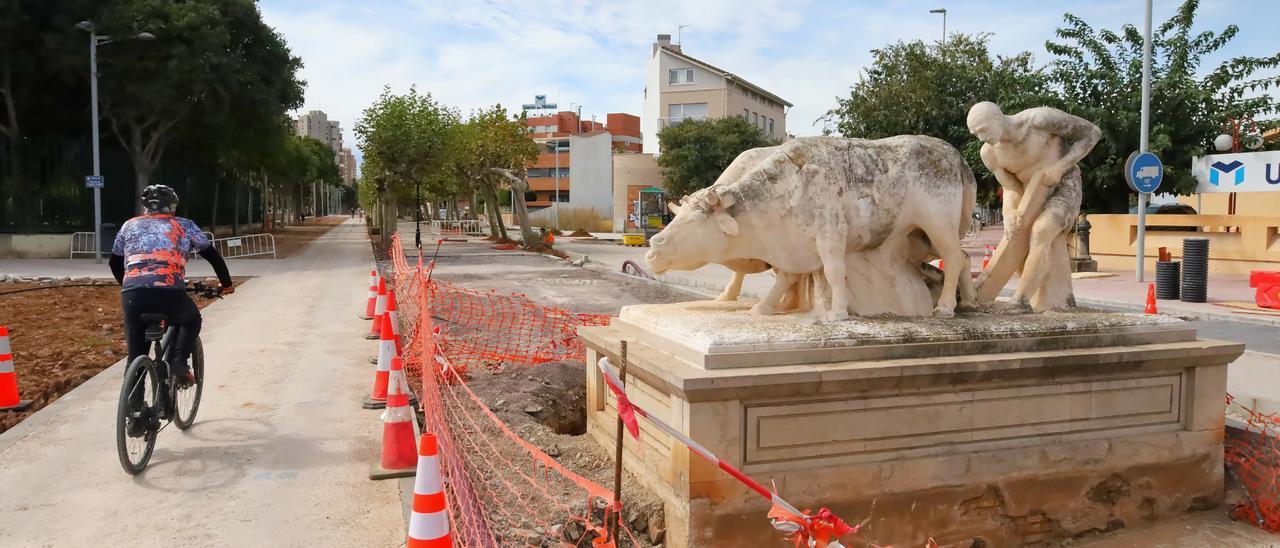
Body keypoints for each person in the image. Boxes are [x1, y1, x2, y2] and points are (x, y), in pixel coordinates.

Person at [966, 101, 1100, 310]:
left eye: (983, 130)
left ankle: (1021, 301)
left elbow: (1092, 133)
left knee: (1041, 230)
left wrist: (1059, 167)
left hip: (1064, 186)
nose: (981, 138)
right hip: (1032, 195)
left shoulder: (1039, 120)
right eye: (976, 134)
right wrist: (1009, 212)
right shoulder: (989, 154)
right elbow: (1010, 188)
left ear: (997, 117)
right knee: (1017, 238)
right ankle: (1031, 295)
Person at [109, 185, 234, 387]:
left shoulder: (129, 225)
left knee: (136, 356)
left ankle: (133, 412)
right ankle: (179, 362)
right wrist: (226, 285)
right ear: (172, 206)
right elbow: (212, 256)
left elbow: (114, 262)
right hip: (169, 292)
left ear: (145, 207)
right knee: (191, 319)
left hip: (133, 295)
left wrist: (128, 285)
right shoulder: (184, 225)